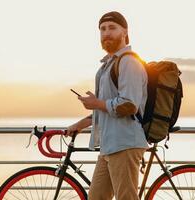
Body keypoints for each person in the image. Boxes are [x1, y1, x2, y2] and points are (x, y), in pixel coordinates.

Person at [66, 11, 148, 200]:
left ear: (125, 32)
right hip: (109, 146)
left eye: (112, 28)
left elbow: (129, 105)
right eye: (102, 29)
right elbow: (105, 108)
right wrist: (79, 125)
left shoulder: (129, 62)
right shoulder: (107, 66)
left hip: (125, 143)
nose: (106, 33)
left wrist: (97, 103)